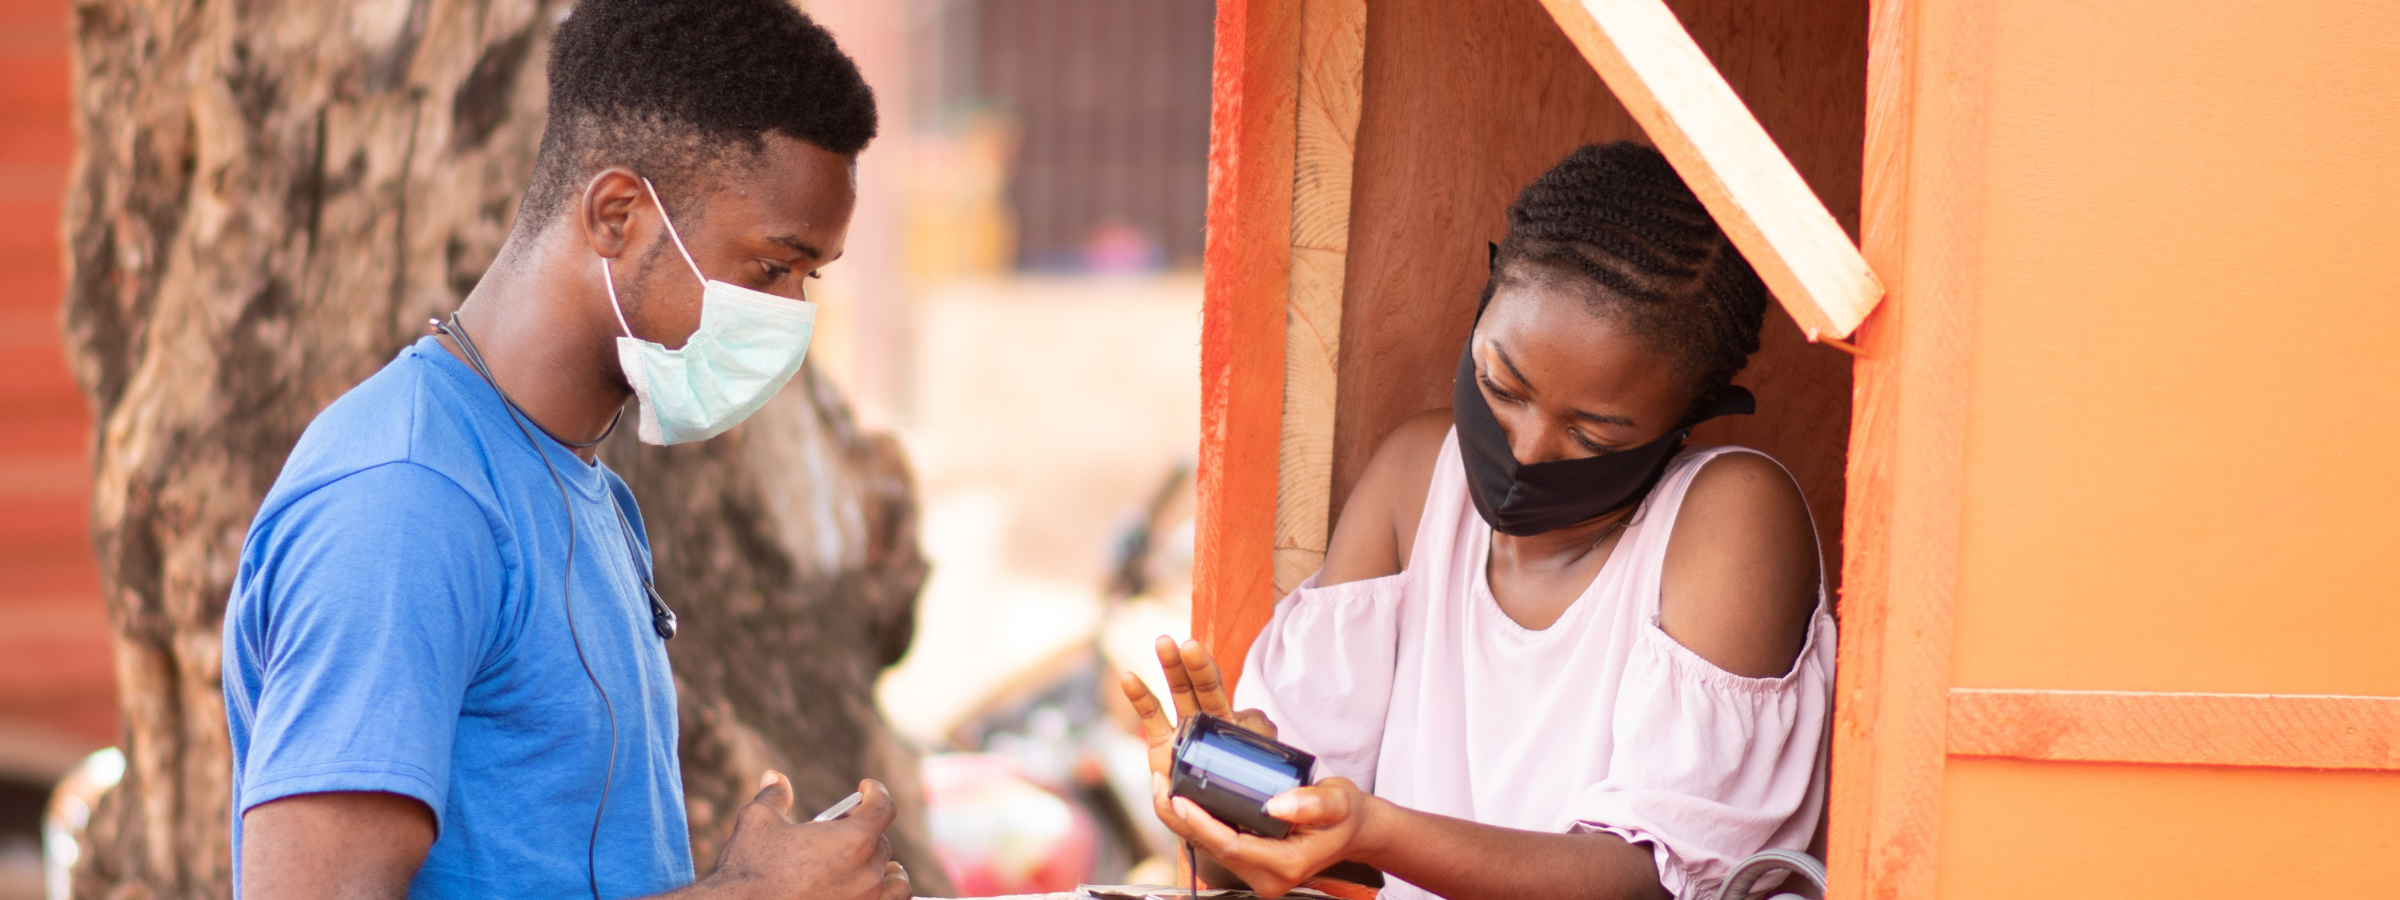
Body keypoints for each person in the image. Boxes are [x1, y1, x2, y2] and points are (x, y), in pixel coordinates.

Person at [221, 2, 913, 899]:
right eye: (770, 268)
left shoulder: (587, 487)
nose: (787, 316)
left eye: (807, 277)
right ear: (617, 214)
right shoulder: (406, 501)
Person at [1121, 142, 1833, 900]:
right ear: (1484, 302)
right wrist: (1228, 794)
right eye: (1502, 385)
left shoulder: (1730, 516)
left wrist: (1375, 830)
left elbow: (1646, 882)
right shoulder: (1416, 479)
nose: (1527, 448)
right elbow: (1280, 850)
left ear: (1693, 415)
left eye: (1594, 437)